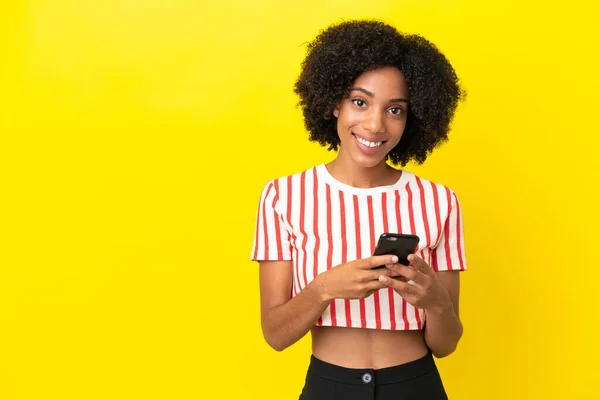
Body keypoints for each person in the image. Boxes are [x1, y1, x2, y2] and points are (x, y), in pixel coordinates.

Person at [250, 19, 467, 400]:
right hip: (328, 386)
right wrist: (324, 288)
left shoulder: (439, 201)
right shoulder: (283, 197)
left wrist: (434, 300)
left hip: (416, 386)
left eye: (395, 110)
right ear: (334, 102)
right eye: (360, 101)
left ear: (411, 118)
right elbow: (275, 335)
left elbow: (447, 344)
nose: (374, 123)